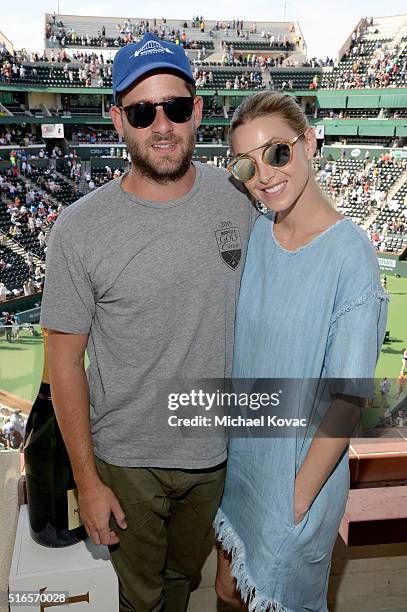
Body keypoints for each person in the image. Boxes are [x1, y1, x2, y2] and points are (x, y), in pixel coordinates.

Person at [39, 32, 254, 612]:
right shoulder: (80, 229)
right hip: (126, 460)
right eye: (142, 111)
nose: (162, 125)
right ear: (118, 121)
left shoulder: (240, 199)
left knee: (184, 582)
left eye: (176, 107)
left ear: (197, 112)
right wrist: (87, 481)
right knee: (142, 600)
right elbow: (63, 363)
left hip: (216, 454)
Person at [214, 92, 388, 612]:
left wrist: (295, 501)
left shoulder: (351, 255)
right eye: (247, 163)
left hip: (297, 483)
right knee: (229, 589)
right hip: (244, 469)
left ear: (309, 143)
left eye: (278, 152)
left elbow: (348, 399)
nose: (264, 174)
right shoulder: (260, 233)